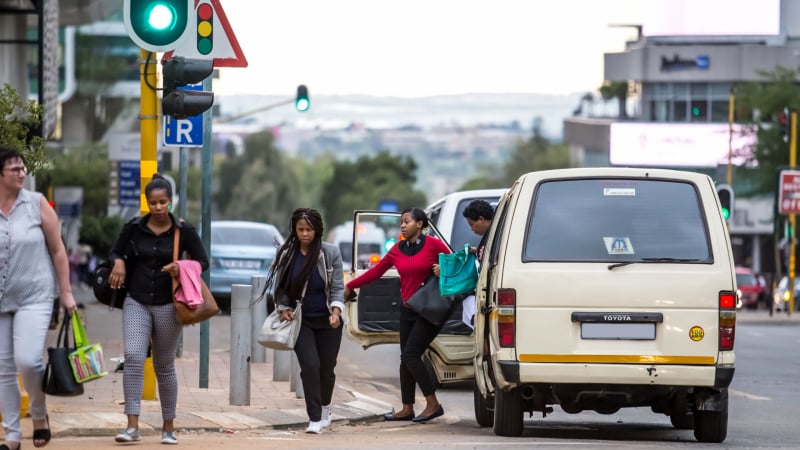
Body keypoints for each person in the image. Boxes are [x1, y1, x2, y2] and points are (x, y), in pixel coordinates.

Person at [107, 173, 208, 445]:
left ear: (170, 202)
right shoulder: (134, 228)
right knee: (134, 356)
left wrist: (181, 267)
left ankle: (168, 427)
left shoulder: (183, 231)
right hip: (136, 301)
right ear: (147, 203)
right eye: (153, 202)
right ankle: (132, 426)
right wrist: (118, 262)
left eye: (163, 202)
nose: (158, 207)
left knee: (164, 366)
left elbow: (202, 262)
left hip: (167, 304)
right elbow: (114, 252)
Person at [0, 145, 78, 450]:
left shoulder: (36, 204)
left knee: (29, 361)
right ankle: (12, 436)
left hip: (35, 295)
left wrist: (67, 292)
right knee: (4, 370)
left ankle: (39, 414)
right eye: (15, 169)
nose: (22, 173)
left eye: (23, 168)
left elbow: (58, 250)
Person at [344, 208, 450, 423]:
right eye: (401, 222)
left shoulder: (434, 245)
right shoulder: (398, 249)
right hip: (407, 309)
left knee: (411, 355)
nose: (402, 225)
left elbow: (460, 265)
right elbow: (376, 271)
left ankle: (433, 403)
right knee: (405, 360)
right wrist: (351, 285)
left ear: (419, 224)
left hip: (428, 310)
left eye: (407, 221)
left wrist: (444, 269)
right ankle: (407, 407)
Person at [267, 208, 346, 434]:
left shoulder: (330, 253)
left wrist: (336, 312)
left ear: (317, 230)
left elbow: (338, 287)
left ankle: (326, 408)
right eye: (300, 229)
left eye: (309, 229)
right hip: (301, 321)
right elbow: (280, 287)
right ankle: (314, 418)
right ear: (294, 229)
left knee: (326, 369)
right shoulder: (287, 254)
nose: (304, 234)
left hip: (329, 320)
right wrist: (283, 309)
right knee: (310, 366)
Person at [462, 199, 494, 266]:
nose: (472, 229)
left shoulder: (497, 235)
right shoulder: (491, 234)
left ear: (481, 219)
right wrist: (477, 250)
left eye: (472, 225)